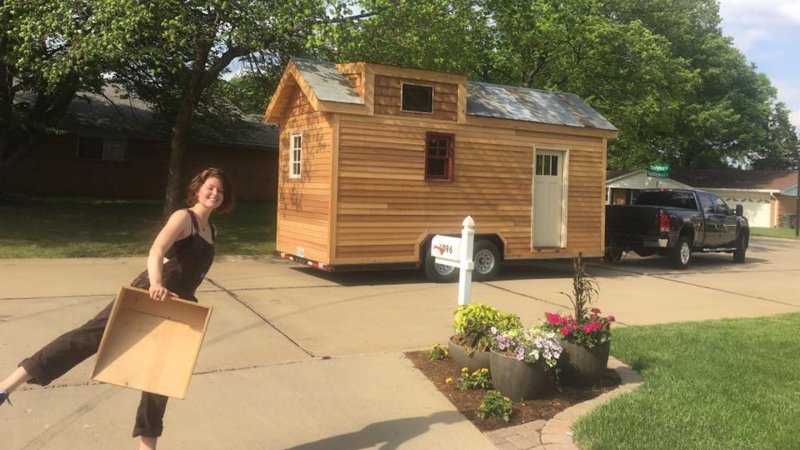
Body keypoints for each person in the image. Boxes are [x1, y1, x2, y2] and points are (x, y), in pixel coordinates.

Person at [0, 167, 234, 450]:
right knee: (90, 337)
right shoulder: (184, 218)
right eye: (210, 187)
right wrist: (156, 284)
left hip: (181, 306)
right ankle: (7, 386)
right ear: (197, 189)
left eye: (220, 190)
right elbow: (157, 250)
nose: (215, 194)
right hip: (149, 292)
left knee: (163, 375)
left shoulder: (212, 230)